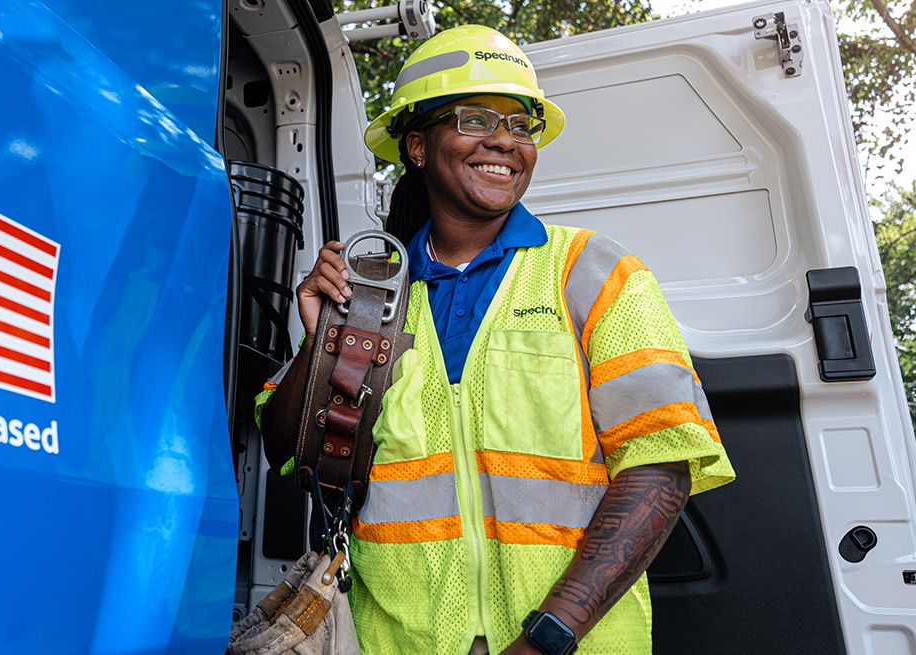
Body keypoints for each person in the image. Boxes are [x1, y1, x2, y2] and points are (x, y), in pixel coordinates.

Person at [256, 25, 735, 655]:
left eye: (522, 125)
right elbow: (289, 456)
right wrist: (324, 346)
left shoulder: (592, 272)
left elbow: (660, 465)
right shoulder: (375, 293)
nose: (505, 141)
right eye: (476, 118)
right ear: (418, 146)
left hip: (571, 642)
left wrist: (546, 638)